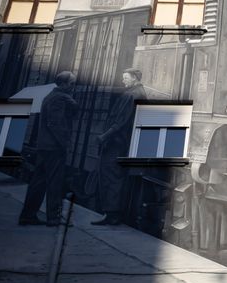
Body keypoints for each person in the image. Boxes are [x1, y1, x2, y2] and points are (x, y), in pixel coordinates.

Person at [19, 71, 78, 226]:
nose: (73, 87)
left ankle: (28, 215)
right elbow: (55, 123)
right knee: (55, 182)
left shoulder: (49, 96)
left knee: (38, 181)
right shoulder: (59, 98)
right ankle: (53, 217)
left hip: (44, 146)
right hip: (54, 147)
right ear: (64, 84)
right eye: (71, 84)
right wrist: (64, 143)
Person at [91, 68, 146, 226]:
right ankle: (112, 213)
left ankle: (112, 214)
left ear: (134, 78)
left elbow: (121, 122)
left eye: (126, 78)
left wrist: (104, 136)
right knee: (115, 178)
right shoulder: (138, 93)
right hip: (123, 142)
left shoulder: (131, 95)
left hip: (117, 143)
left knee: (111, 177)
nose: (123, 81)